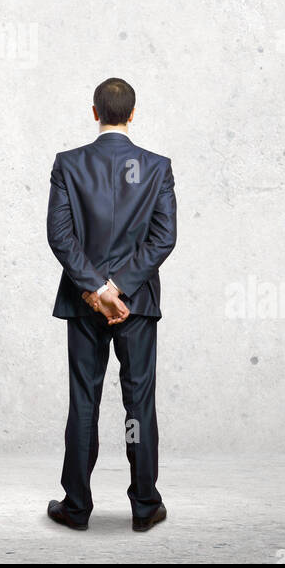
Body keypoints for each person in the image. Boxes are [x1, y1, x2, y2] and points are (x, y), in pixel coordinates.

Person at [45, 77, 177, 532]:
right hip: (136, 304)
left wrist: (97, 289)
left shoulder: (69, 164)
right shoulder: (157, 168)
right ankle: (145, 506)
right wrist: (119, 287)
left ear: (94, 111)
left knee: (85, 400)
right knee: (138, 402)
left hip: (85, 304)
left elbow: (60, 237)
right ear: (133, 113)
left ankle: (76, 508)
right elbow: (164, 238)